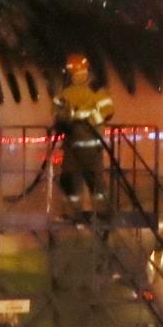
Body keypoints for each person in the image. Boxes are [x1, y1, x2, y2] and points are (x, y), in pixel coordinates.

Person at [51, 53, 114, 218]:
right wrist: (65, 118)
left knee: (92, 180)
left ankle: (100, 212)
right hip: (73, 145)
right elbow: (57, 112)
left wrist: (85, 118)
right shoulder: (66, 93)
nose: (79, 76)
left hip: (89, 143)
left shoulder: (94, 90)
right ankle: (75, 212)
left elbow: (107, 110)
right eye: (76, 74)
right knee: (73, 180)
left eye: (81, 73)